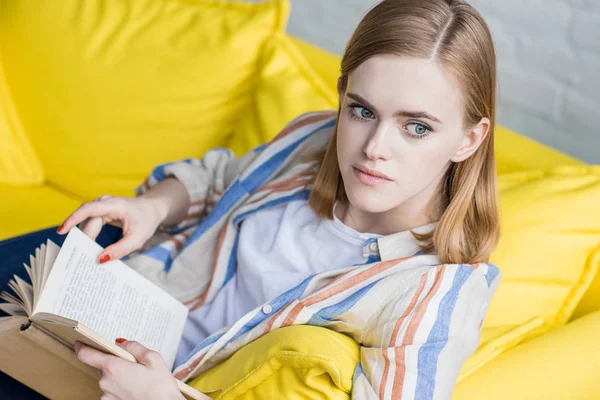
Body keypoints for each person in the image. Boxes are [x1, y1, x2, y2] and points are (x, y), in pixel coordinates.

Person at [0, 0, 503, 398]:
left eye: (416, 127)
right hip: (127, 293)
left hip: (145, 383)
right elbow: (218, 178)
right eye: (363, 110)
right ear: (343, 92)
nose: (374, 149)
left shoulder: (434, 294)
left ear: (469, 139)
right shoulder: (314, 137)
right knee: (84, 234)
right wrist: (151, 208)